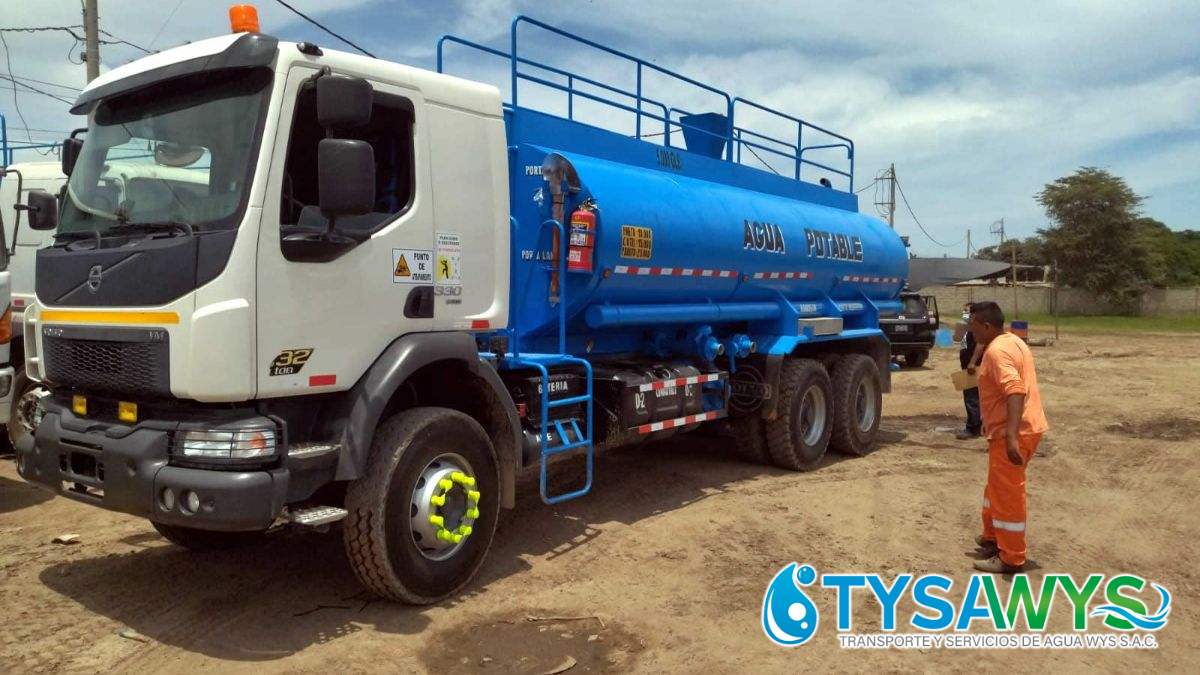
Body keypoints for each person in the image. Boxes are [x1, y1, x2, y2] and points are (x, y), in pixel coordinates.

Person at [967, 301, 1049, 574]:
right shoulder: (1012, 341)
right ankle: (992, 538)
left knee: (1007, 494)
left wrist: (1011, 436)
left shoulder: (997, 352)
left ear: (986, 326)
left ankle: (1011, 557)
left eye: (973, 323)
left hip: (1012, 432)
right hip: (1015, 428)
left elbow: (1015, 390)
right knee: (995, 489)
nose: (970, 328)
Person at [956, 303, 984, 440]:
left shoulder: (977, 327)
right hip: (966, 365)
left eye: (967, 311)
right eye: (964, 311)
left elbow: (980, 344)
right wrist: (960, 327)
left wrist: (972, 362)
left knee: (971, 397)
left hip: (974, 366)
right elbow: (956, 339)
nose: (965, 313)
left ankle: (973, 428)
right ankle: (978, 425)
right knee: (972, 396)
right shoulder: (967, 327)